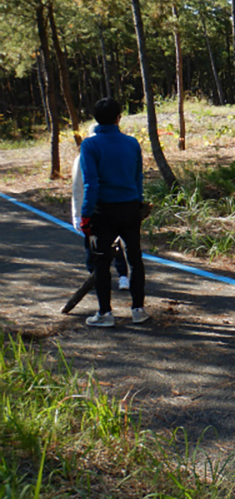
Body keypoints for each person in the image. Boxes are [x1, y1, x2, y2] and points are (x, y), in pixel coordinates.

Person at [79, 97, 148, 327]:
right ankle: (138, 309)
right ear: (119, 117)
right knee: (135, 259)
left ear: (96, 119)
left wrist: (86, 214)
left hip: (102, 211)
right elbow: (138, 178)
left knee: (101, 262)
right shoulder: (132, 143)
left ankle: (105, 313)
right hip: (129, 207)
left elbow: (91, 183)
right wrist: (139, 203)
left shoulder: (90, 145)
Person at [72, 125, 130, 290]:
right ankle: (96, 276)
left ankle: (122, 276)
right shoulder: (83, 157)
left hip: (109, 206)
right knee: (95, 245)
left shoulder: (112, 153)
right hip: (96, 208)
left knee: (116, 243)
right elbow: (78, 187)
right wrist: (78, 214)